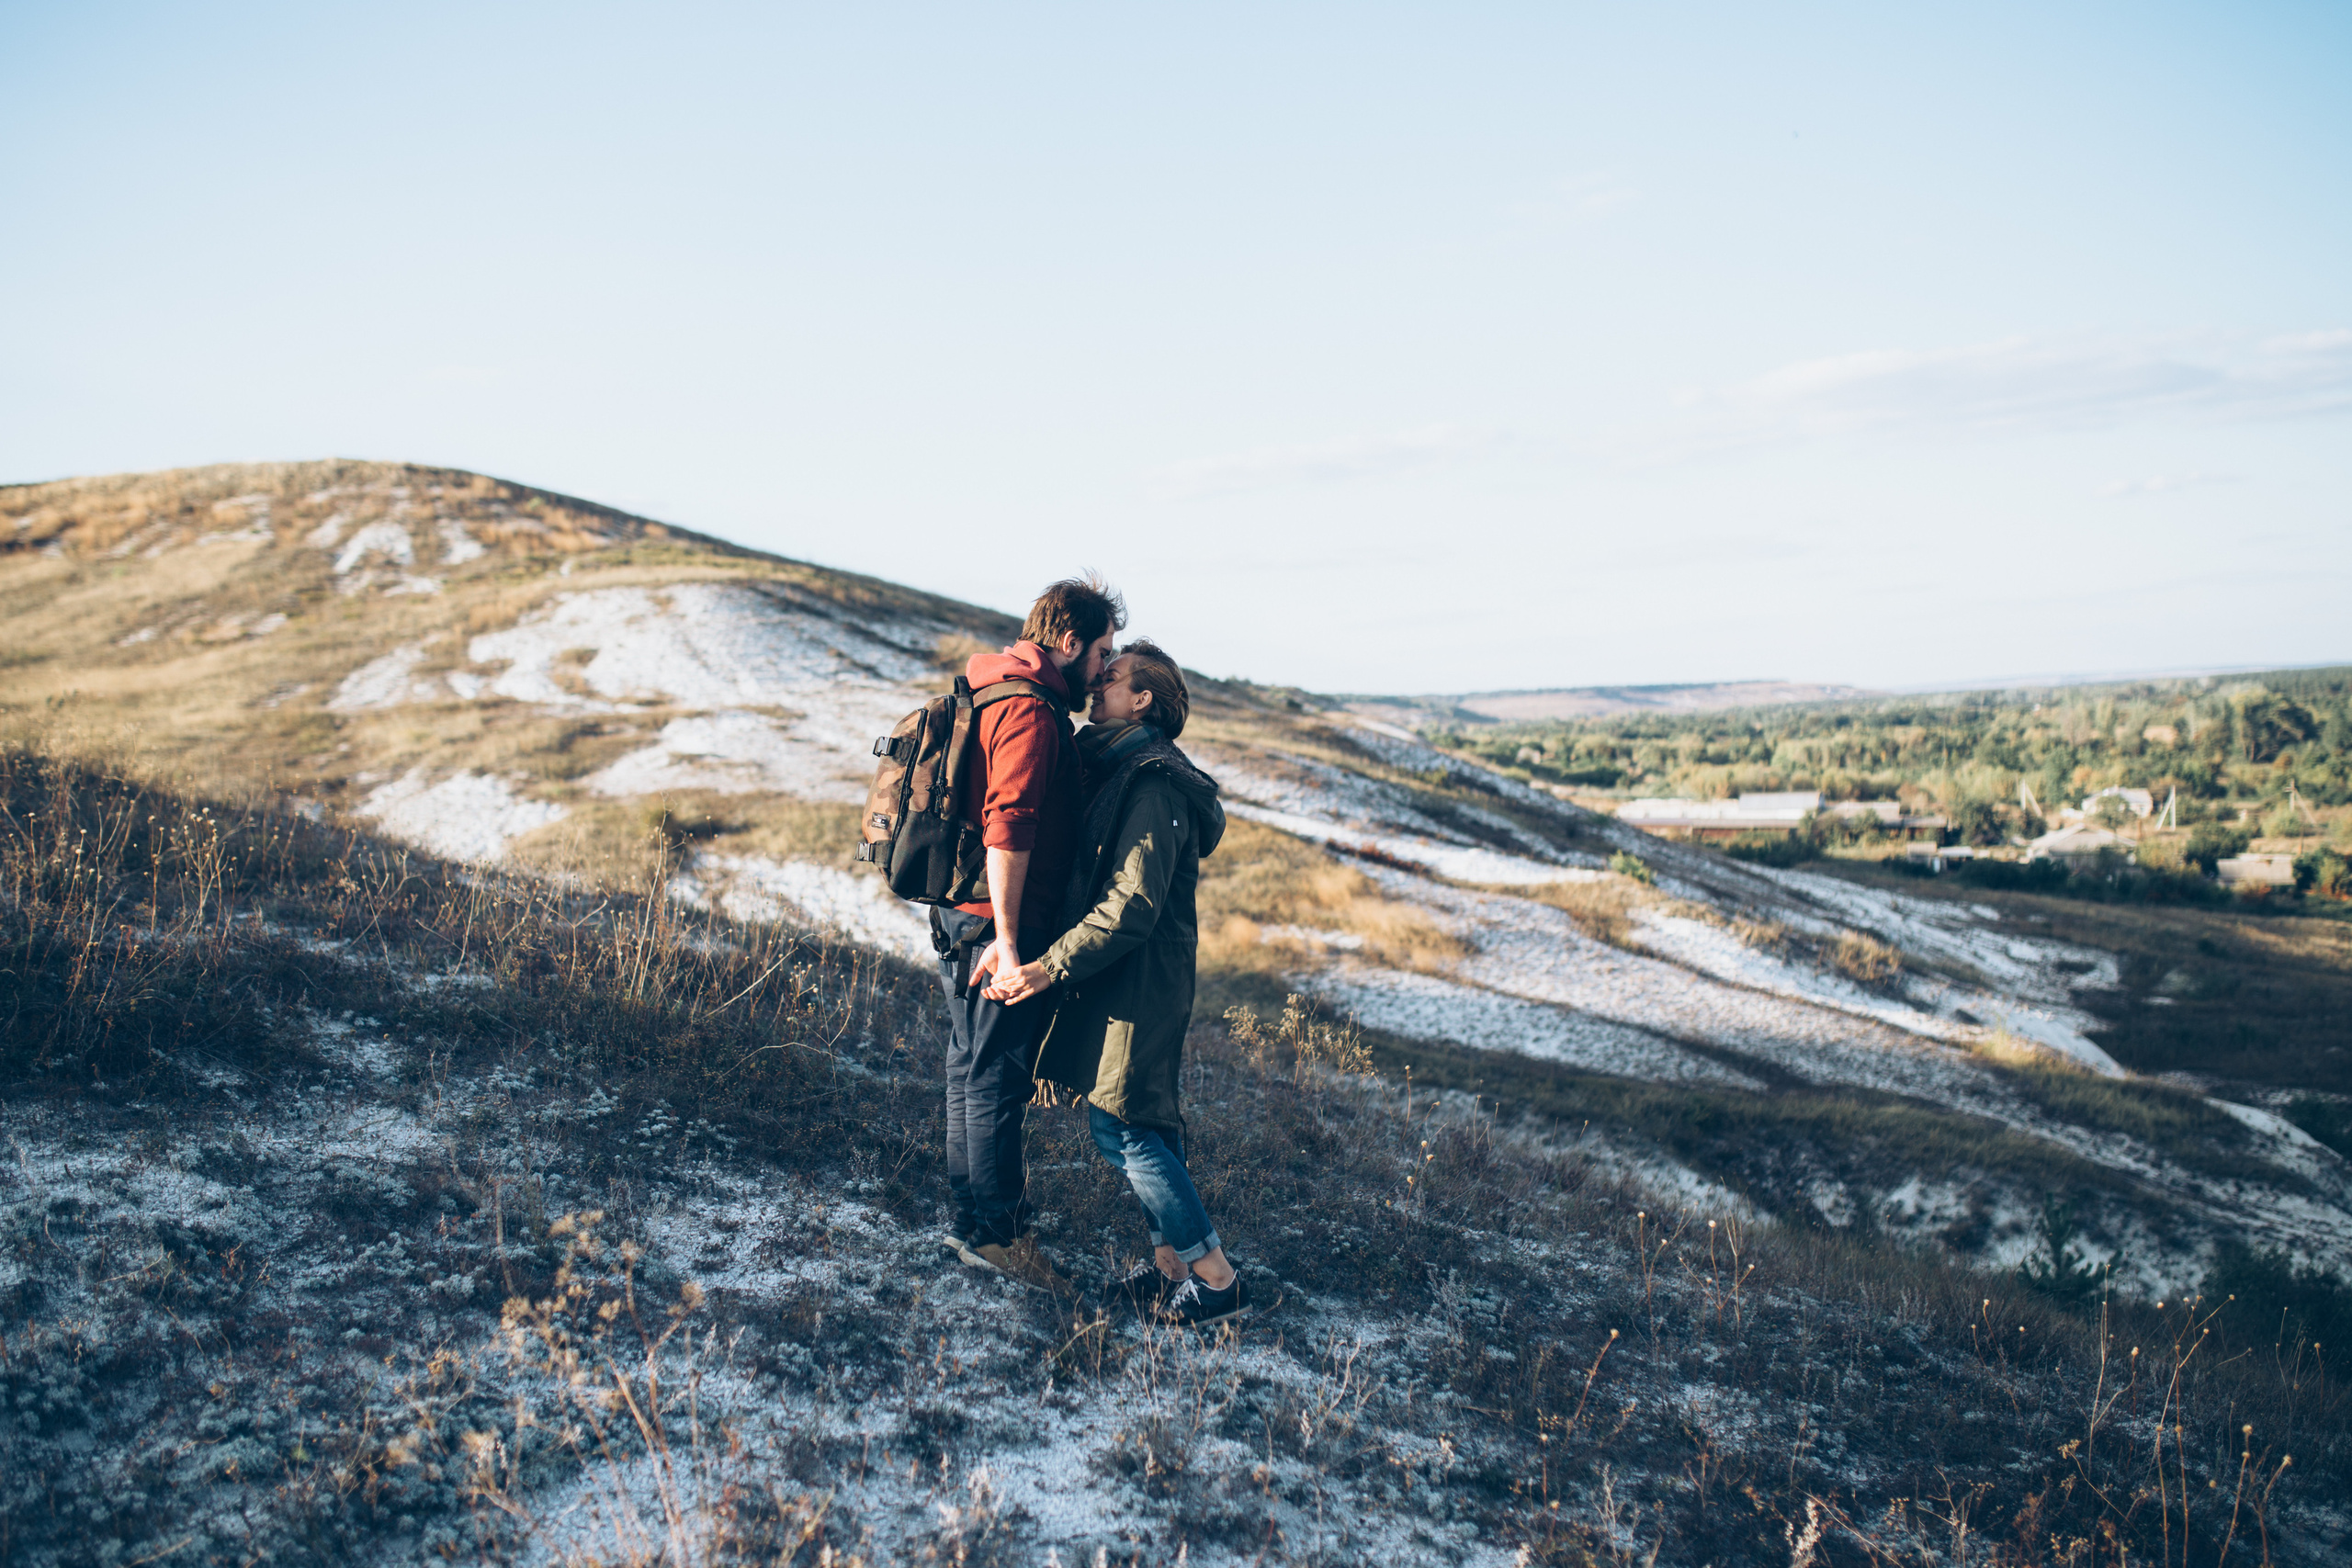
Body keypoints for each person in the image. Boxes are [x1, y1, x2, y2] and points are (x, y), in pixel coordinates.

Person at [983, 641, 1246, 1328]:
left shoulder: (1154, 782)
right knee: (1145, 1116)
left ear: (1143, 701)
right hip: (1125, 974)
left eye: (1114, 678)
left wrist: (1046, 967)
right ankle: (1171, 1268)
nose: (1096, 684)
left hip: (1141, 978)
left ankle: (1215, 1278)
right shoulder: (1122, 767)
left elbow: (1133, 903)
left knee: (1121, 1122)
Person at [938, 575, 1124, 1281]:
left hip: (967, 914)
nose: (1105, 668)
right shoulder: (1031, 709)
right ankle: (998, 1236)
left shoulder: (998, 686)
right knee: (997, 1077)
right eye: (1102, 652)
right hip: (994, 923)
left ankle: (971, 1218)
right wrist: (1011, 943)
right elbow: (1008, 827)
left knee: (970, 1064)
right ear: (1070, 642)